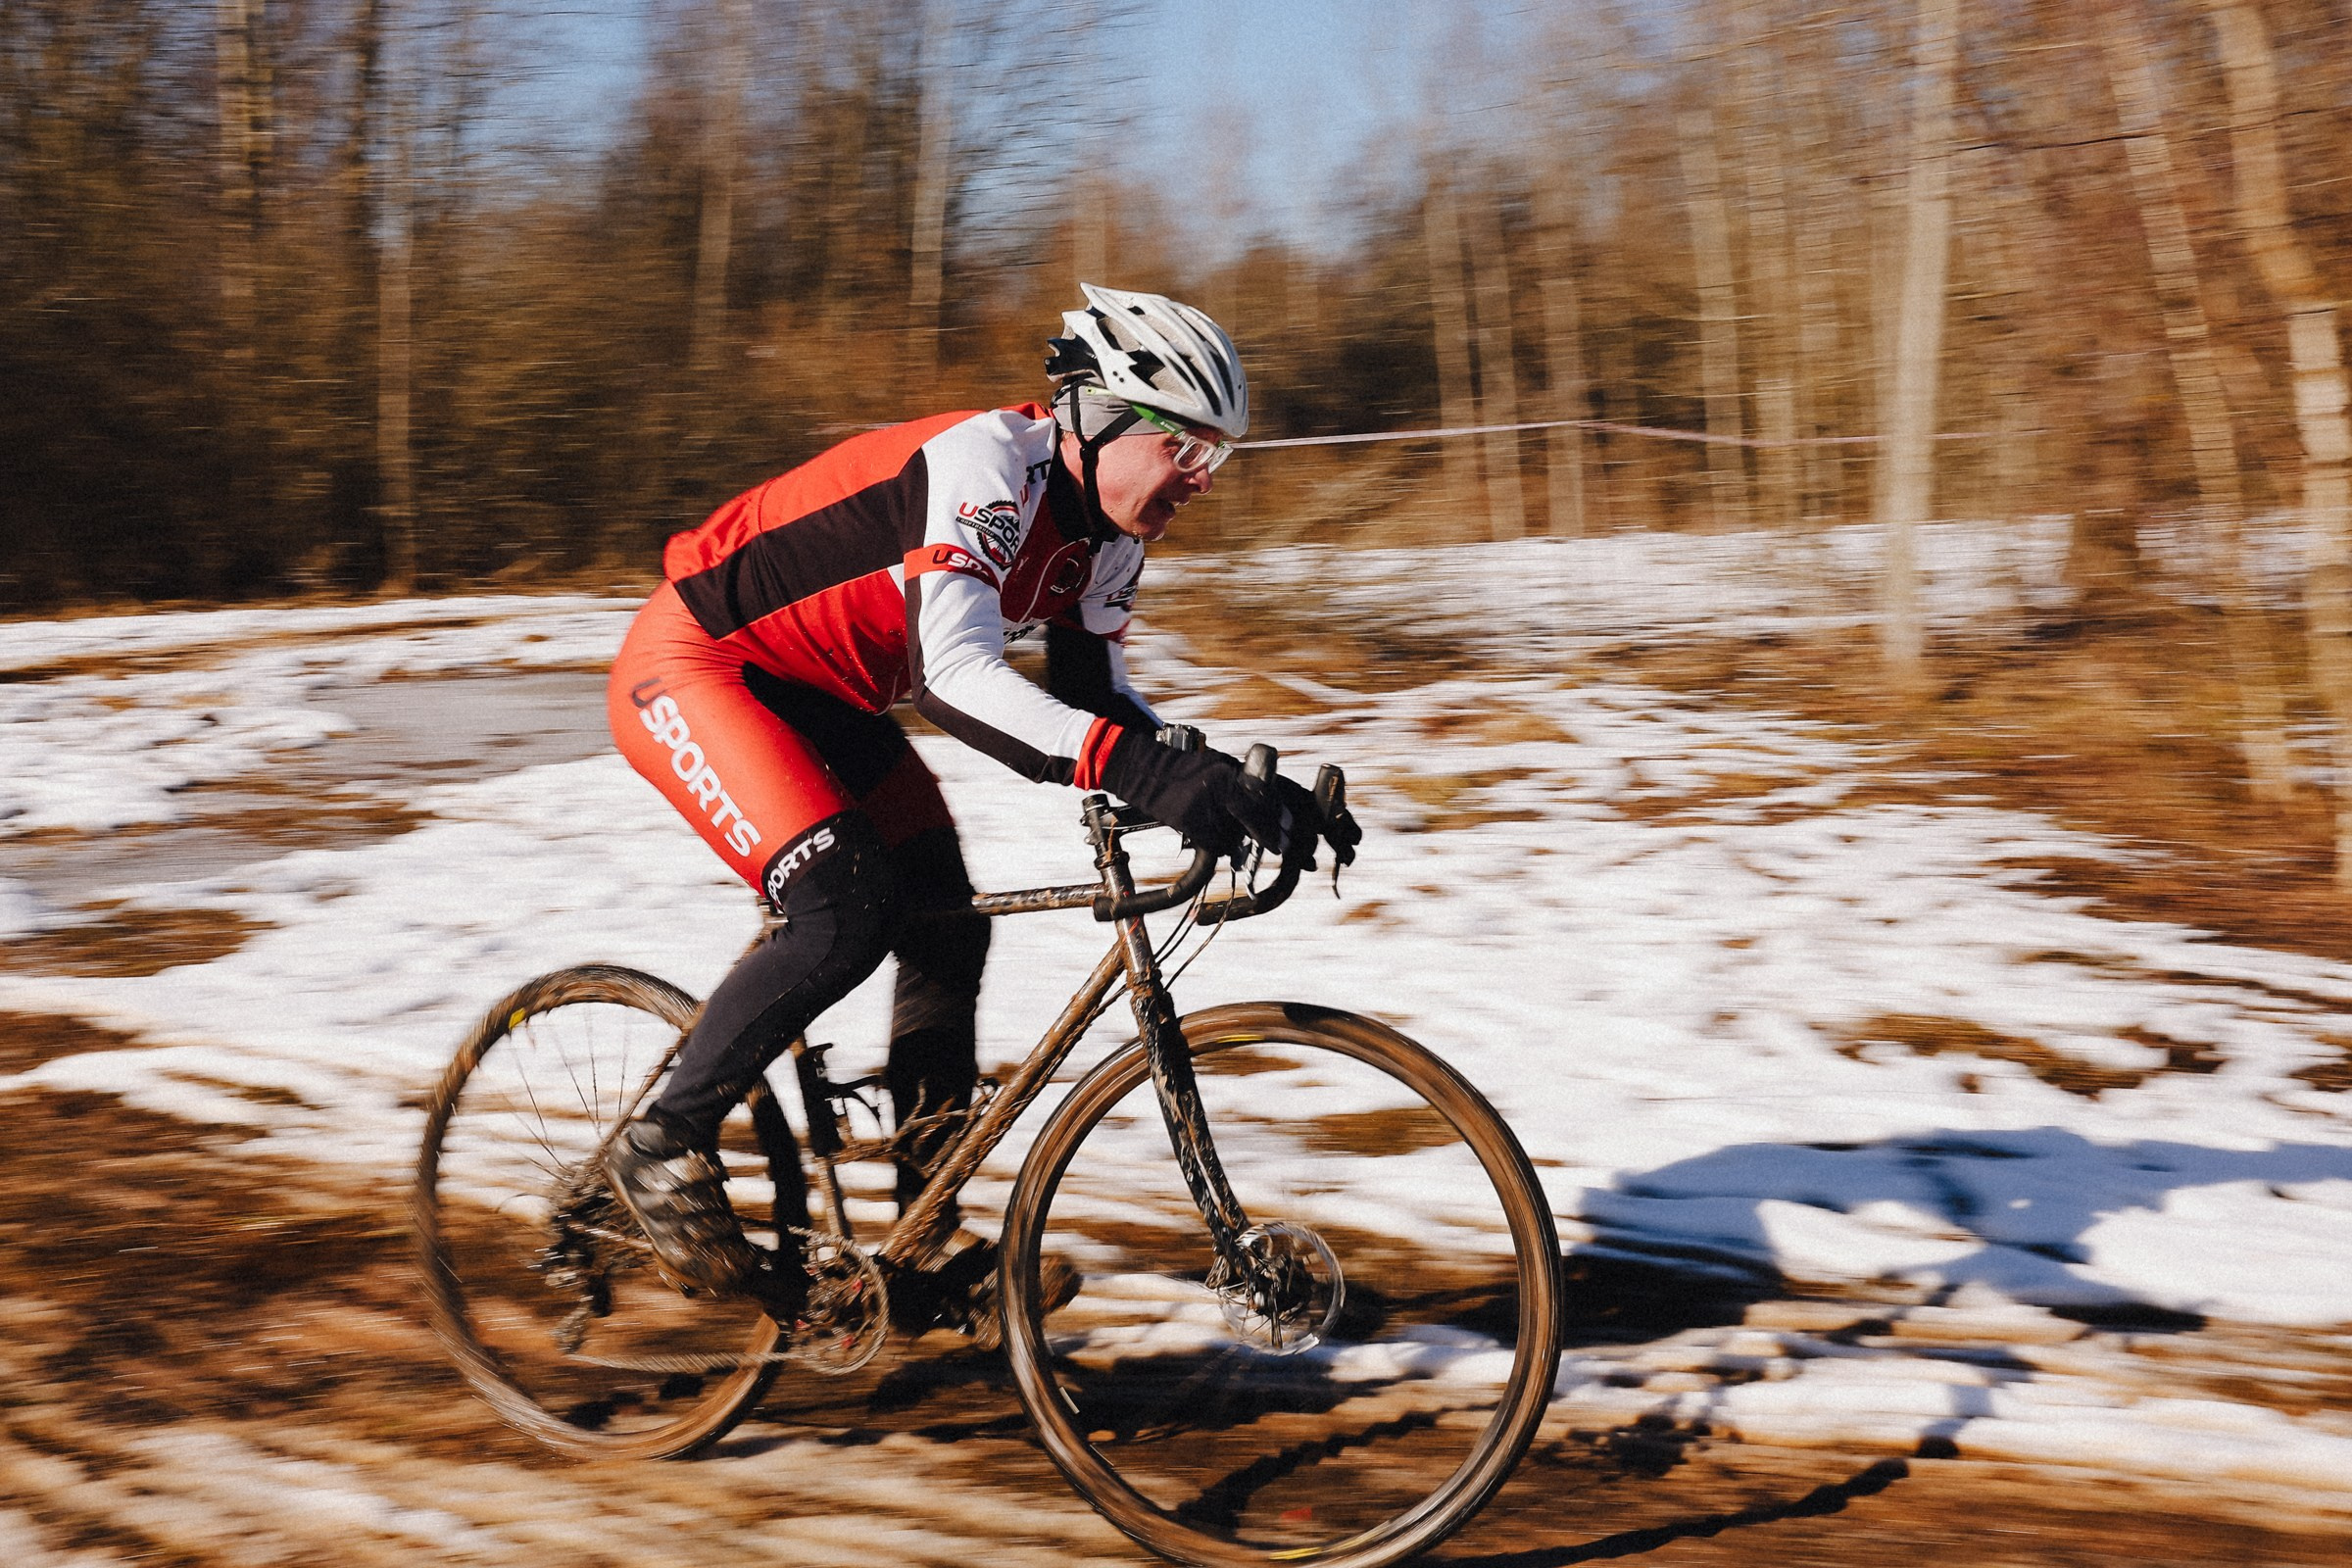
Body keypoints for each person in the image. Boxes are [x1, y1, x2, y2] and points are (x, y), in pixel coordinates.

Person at [600, 284, 1310, 1321]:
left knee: (944, 922)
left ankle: (920, 1235)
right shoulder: (984, 466)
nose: (1202, 480)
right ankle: (661, 1141)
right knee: (846, 903)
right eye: (1187, 448)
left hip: (825, 696)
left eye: (1220, 457)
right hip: (702, 665)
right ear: (1105, 415)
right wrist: (1151, 774)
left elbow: (1095, 697)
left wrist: (1242, 786)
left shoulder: (1110, 537)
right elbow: (958, 677)